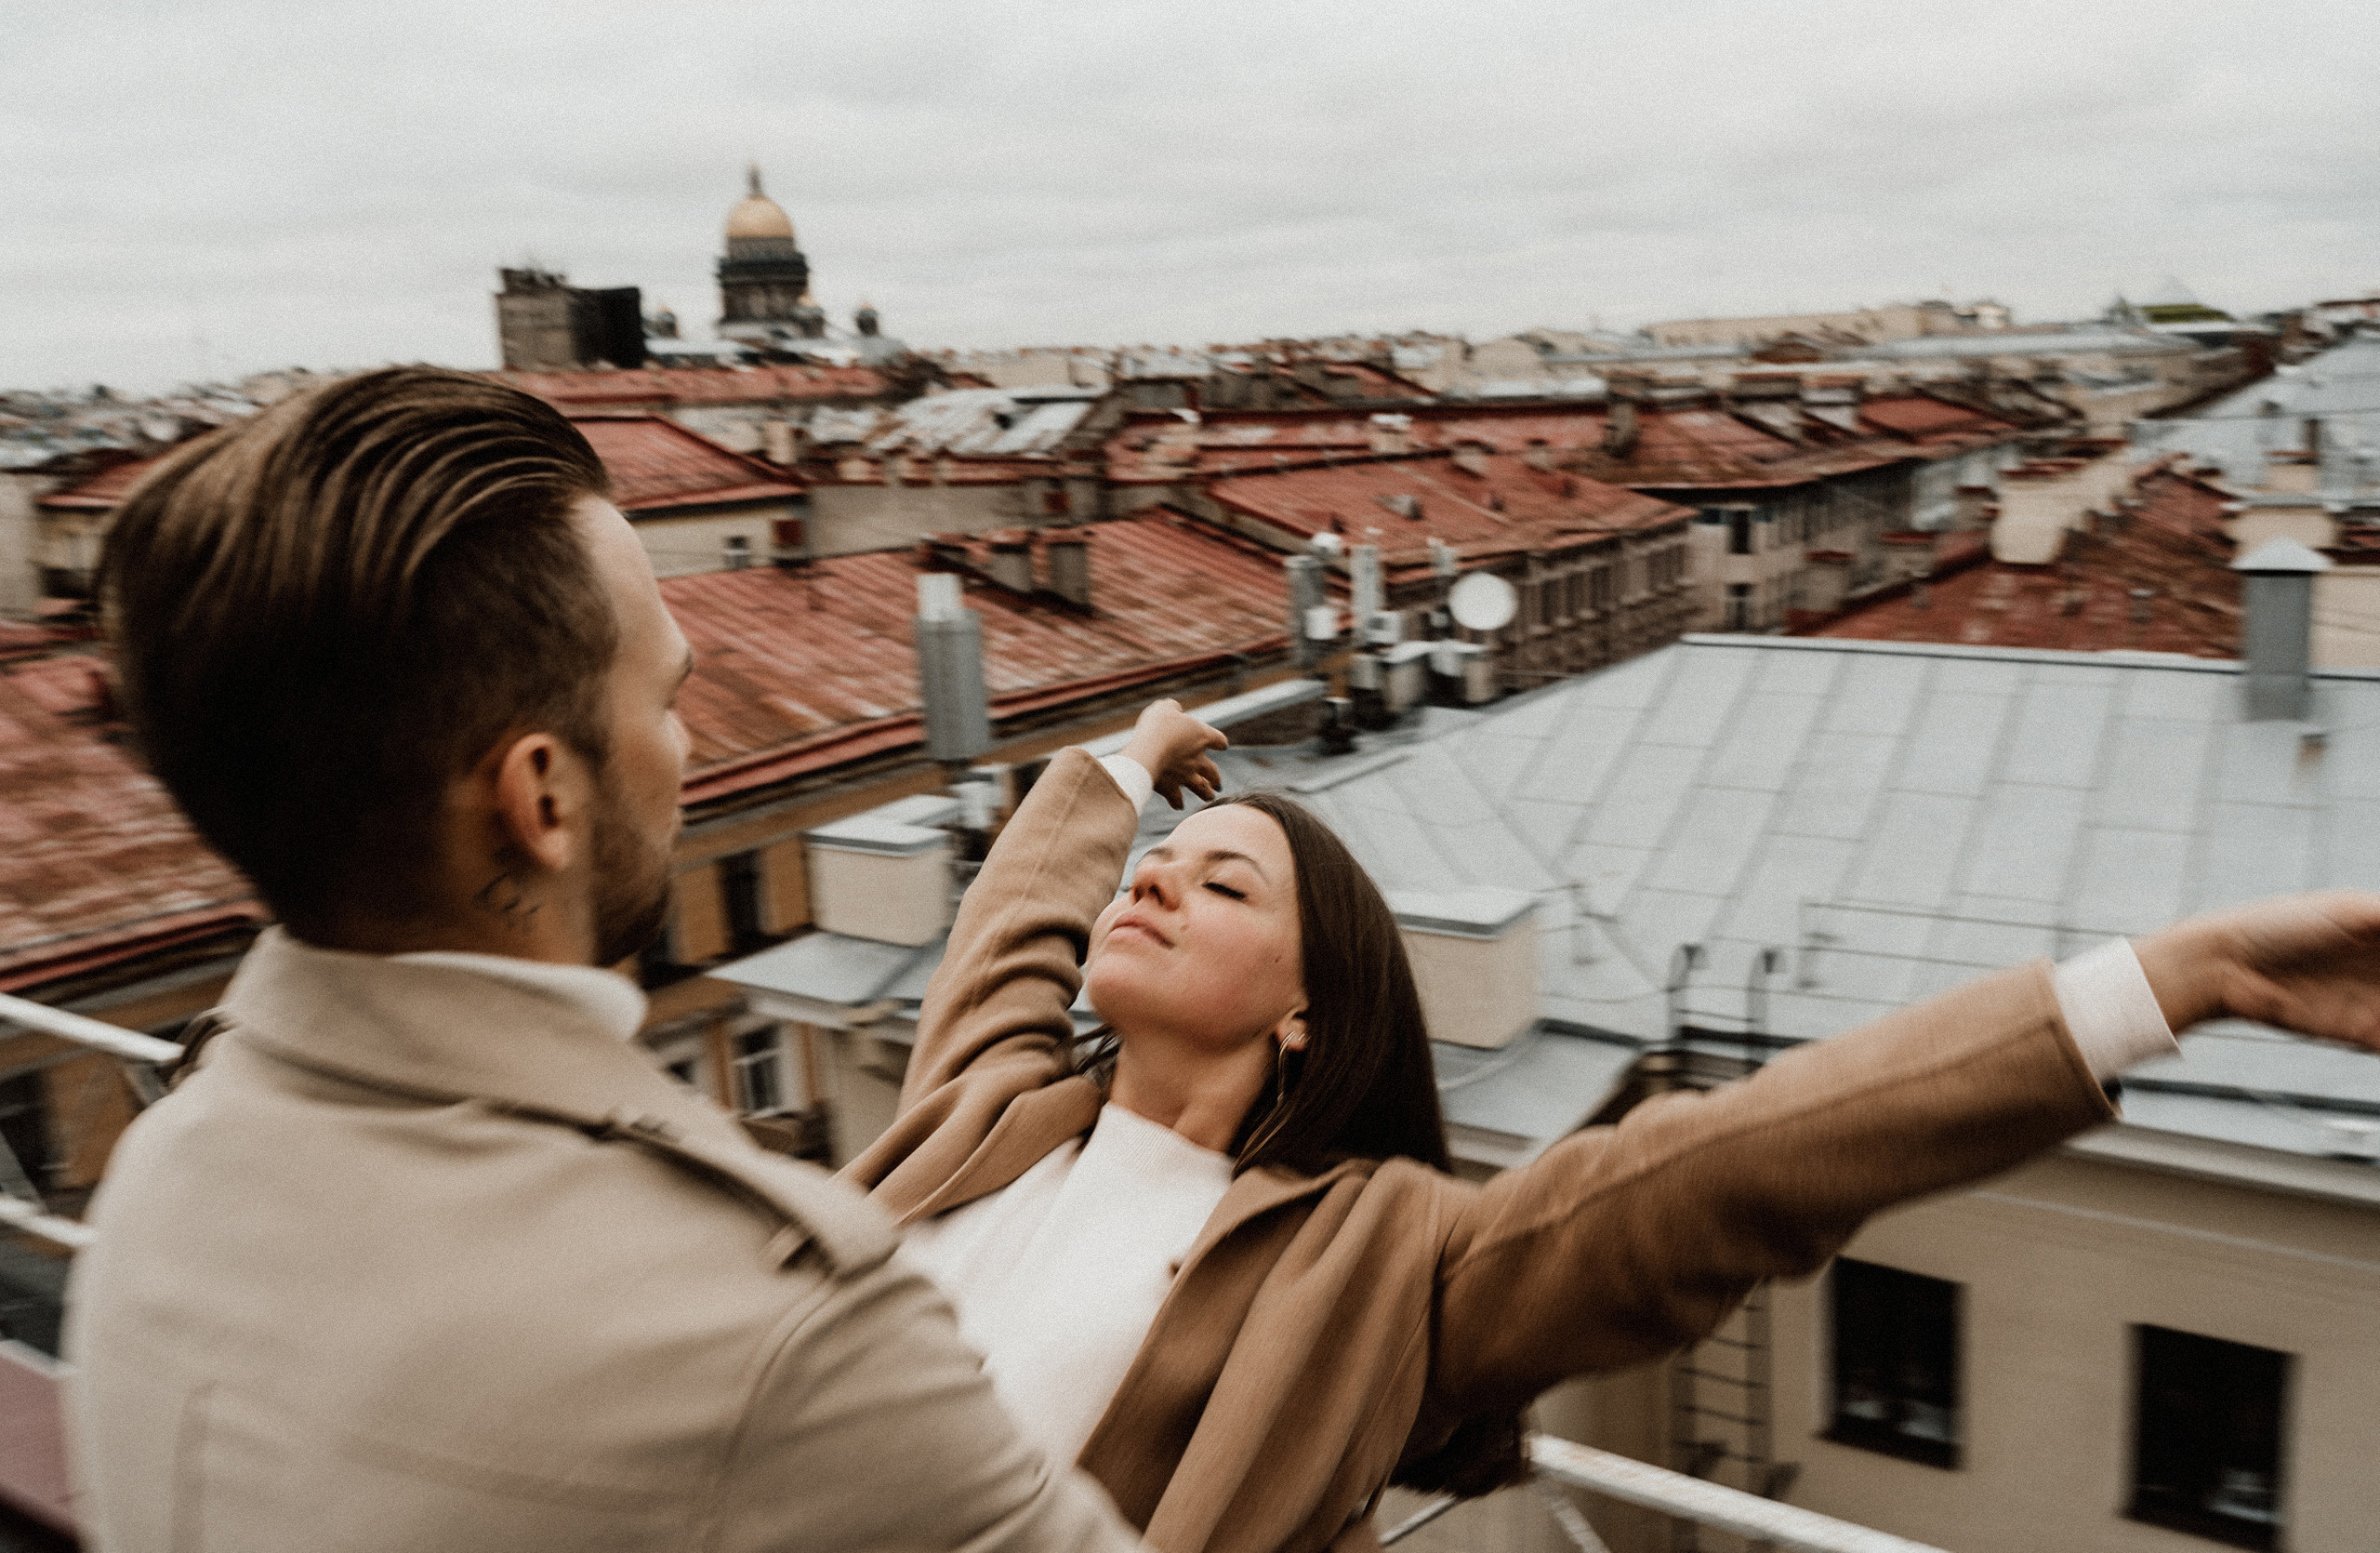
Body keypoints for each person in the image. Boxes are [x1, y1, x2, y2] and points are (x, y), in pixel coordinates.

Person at [848, 698, 2380, 1553]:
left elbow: (1726, 1169)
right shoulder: (989, 1114)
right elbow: (1017, 918)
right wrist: (1130, 763)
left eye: (1226, 880)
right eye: (1158, 866)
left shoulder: (1373, 1269)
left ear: (1309, 1008)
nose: (1159, 878)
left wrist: (2184, 978)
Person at [66, 368, 1142, 1553]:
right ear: (542, 796)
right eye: (668, 697)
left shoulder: (159, 1168)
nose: (684, 745)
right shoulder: (765, 1331)